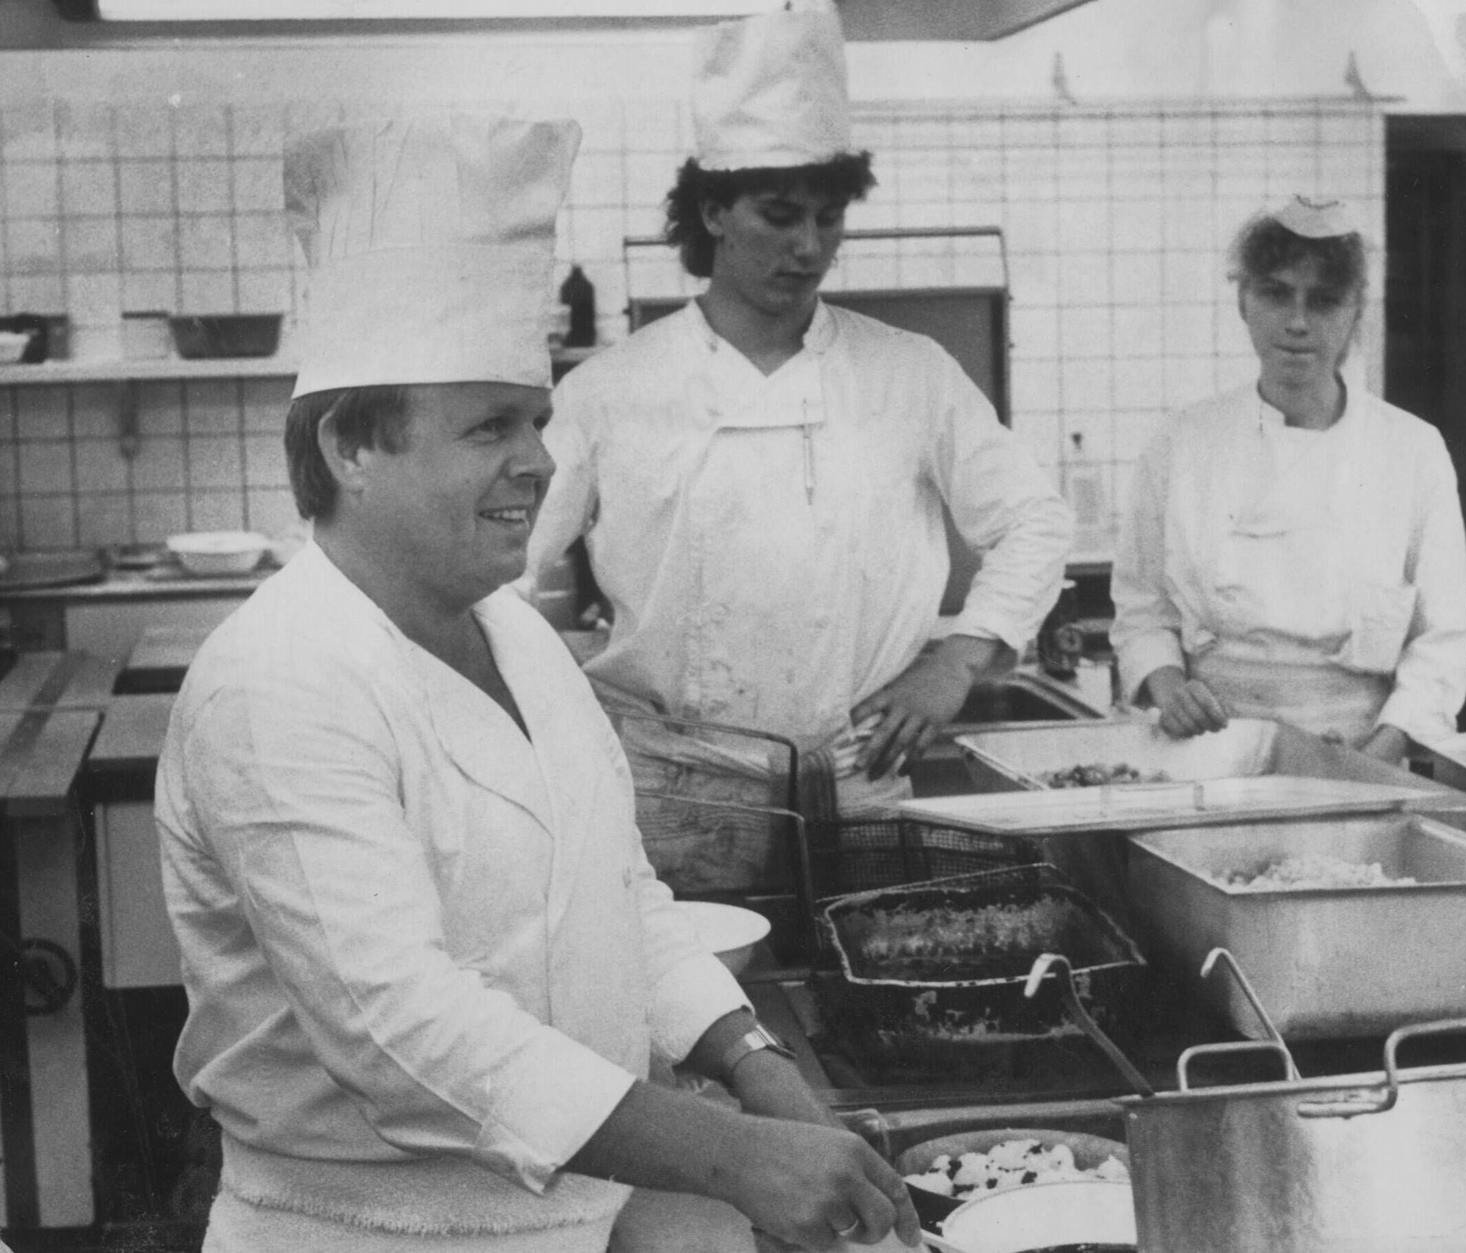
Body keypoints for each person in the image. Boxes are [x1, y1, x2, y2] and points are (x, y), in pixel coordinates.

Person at [155, 113, 918, 1253]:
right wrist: (730, 1156)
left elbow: (625, 898)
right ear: (352, 452)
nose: (539, 461)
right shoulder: (279, 683)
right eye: (487, 428)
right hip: (369, 1231)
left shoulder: (514, 637)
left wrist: (759, 1071)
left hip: (566, 1204)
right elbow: (397, 1032)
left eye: (536, 419)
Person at [522, 2, 1072, 893]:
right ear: (714, 210)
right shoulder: (609, 391)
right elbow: (501, 566)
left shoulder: (909, 374)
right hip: (673, 793)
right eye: (780, 215)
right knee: (690, 1007)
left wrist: (956, 659)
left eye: (828, 217)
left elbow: (1037, 522)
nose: (809, 246)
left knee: (863, 1004)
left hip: (855, 783)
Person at [1110, 196, 1466, 761]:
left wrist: (1374, 757)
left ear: (1355, 312)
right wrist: (1171, 690)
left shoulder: (1413, 449)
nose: (1298, 322)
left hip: (1357, 750)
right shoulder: (1181, 442)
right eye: (1276, 293)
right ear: (1242, 300)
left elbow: (1442, 639)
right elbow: (1141, 608)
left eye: (1323, 301)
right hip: (1206, 747)